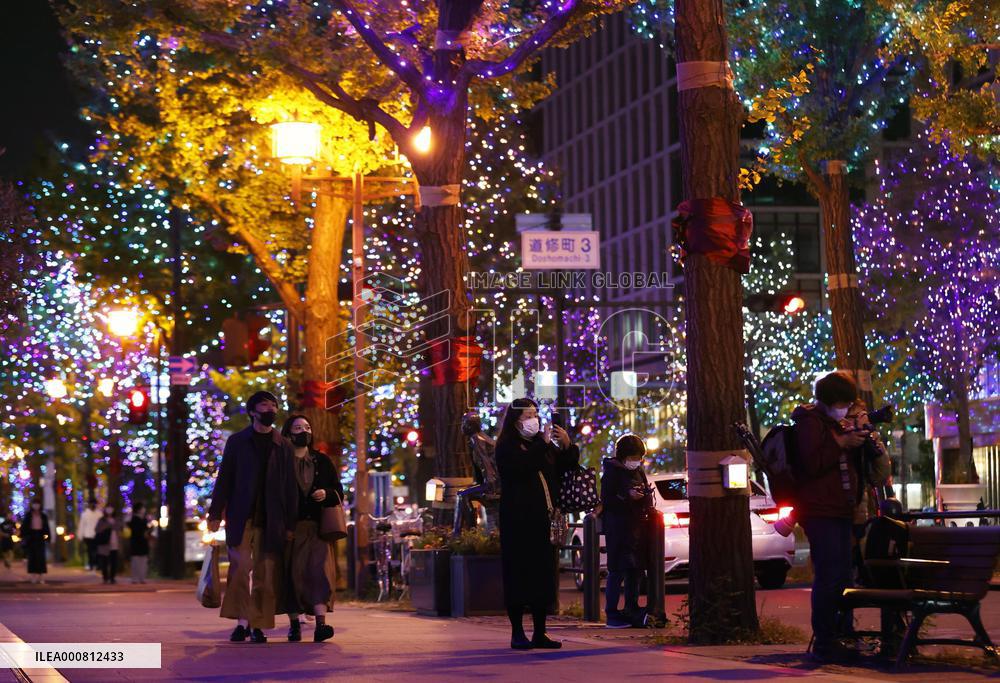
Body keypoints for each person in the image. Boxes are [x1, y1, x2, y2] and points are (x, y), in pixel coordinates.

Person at [792, 370, 890, 663]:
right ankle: (825, 640)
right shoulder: (810, 424)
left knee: (843, 576)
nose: (845, 409)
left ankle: (842, 634)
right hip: (821, 511)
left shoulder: (840, 423)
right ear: (828, 400)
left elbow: (875, 471)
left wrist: (864, 437)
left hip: (843, 510)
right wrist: (841, 444)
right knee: (828, 576)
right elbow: (811, 464)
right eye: (842, 403)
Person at [207, 391, 298, 644]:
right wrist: (215, 512)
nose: (270, 409)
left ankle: (258, 626)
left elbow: (290, 487)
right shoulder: (237, 442)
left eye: (273, 405)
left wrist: (290, 524)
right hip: (241, 516)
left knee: (265, 575)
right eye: (264, 404)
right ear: (252, 411)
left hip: (273, 519)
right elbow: (225, 478)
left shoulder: (284, 446)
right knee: (240, 569)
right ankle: (241, 622)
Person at [496, 398, 580, 650]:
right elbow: (520, 469)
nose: (533, 420)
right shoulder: (507, 446)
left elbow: (563, 468)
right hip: (518, 522)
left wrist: (567, 447)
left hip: (544, 520)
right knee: (519, 576)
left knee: (543, 576)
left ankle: (540, 632)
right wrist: (542, 445)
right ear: (515, 421)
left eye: (535, 414)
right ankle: (517, 633)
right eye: (527, 416)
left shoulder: (540, 446)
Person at [280, 414, 343, 643]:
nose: (303, 431)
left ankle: (321, 624)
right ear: (288, 433)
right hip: (290, 528)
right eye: (297, 427)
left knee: (319, 573)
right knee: (292, 575)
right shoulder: (280, 461)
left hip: (317, 528)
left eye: (307, 426)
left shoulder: (321, 460)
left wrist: (326, 493)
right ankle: (294, 624)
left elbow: (338, 490)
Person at [601, 434, 655, 628]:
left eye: (638, 457)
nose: (636, 461)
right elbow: (608, 501)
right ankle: (612, 613)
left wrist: (643, 497)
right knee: (617, 570)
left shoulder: (639, 471)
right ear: (623, 456)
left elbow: (647, 494)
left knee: (635, 570)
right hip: (618, 528)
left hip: (637, 527)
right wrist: (627, 496)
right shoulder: (612, 472)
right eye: (633, 457)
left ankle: (631, 609)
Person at [453, 413, 500, 535]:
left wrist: (491, 488)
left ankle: (462, 533)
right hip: (493, 483)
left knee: (462, 495)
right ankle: (467, 532)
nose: (462, 426)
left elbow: (486, 463)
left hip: (493, 484)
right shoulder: (482, 437)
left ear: (470, 425)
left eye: (464, 423)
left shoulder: (477, 439)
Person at [20, 499, 50, 583]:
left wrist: (47, 537)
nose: (36, 506)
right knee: (32, 557)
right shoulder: (28, 515)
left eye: (38, 504)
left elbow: (46, 527)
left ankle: (41, 576)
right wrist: (24, 536)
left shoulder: (43, 515)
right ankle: (32, 576)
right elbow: (24, 527)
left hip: (40, 537)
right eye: (35, 504)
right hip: (31, 537)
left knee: (41, 557)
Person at [95, 505, 123, 584]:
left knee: (114, 562)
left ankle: (112, 577)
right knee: (104, 562)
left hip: (115, 543)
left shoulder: (116, 520)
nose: (110, 510)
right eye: (108, 508)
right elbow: (97, 529)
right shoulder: (102, 520)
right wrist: (107, 527)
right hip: (104, 544)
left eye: (111, 508)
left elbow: (120, 528)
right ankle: (105, 578)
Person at [128, 502, 151, 584]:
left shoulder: (144, 519)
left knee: (143, 561)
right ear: (138, 509)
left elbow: (147, 530)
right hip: (136, 542)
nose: (143, 510)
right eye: (142, 508)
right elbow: (135, 531)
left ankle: (142, 577)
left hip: (143, 543)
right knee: (136, 561)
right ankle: (135, 578)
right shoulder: (134, 519)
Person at [77, 499, 101, 571]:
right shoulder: (85, 514)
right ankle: (91, 565)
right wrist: (80, 536)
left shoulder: (99, 514)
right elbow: (82, 525)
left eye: (94, 504)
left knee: (97, 551)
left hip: (97, 535)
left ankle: (97, 564)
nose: (93, 505)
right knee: (90, 551)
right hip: (88, 535)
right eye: (91, 504)